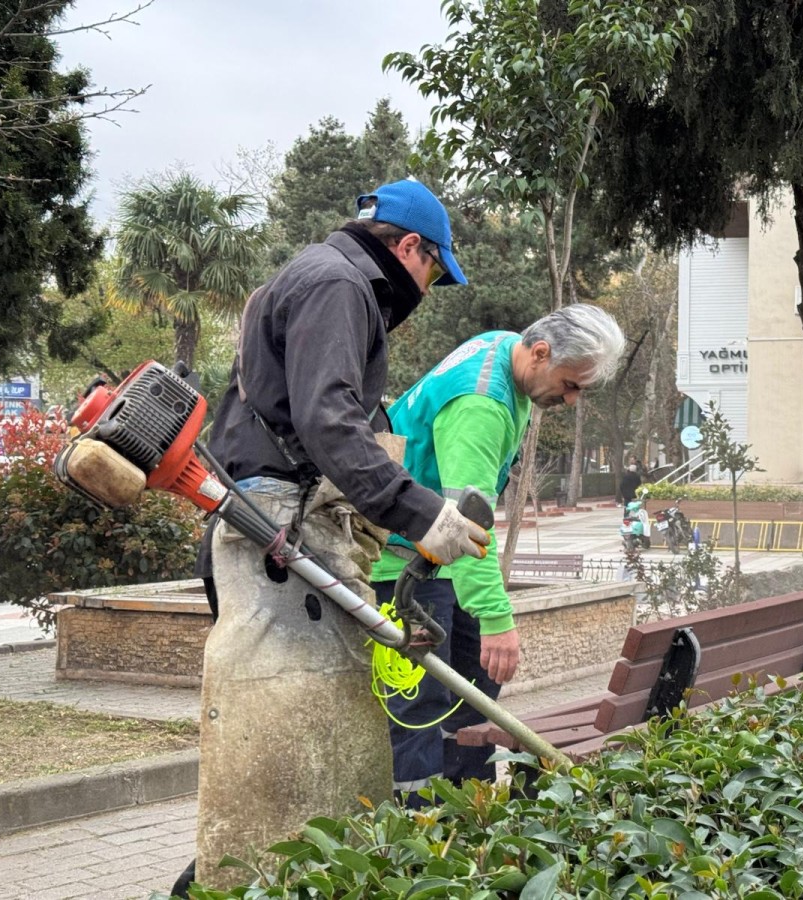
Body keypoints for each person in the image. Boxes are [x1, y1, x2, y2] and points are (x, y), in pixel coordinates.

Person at [178, 179, 490, 894]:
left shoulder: (314, 275)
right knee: (288, 744)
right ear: (410, 246)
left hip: (274, 514)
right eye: (434, 271)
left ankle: (259, 877)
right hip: (278, 524)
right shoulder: (338, 283)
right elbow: (327, 423)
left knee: (305, 745)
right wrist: (420, 512)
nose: (428, 289)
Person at [369, 304, 625, 806]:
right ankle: (418, 840)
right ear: (541, 352)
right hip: (401, 568)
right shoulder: (481, 405)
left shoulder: (506, 347)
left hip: (434, 560)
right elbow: (466, 524)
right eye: (571, 385)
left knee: (474, 694)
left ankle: (469, 816)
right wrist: (495, 616)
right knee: (418, 707)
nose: (571, 400)